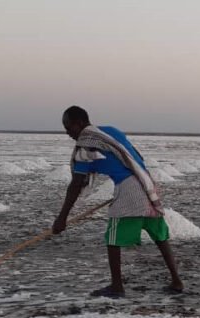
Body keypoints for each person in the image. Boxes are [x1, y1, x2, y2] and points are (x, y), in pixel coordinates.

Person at [52, 106, 184, 298]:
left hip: (129, 187)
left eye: (68, 127)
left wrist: (62, 218)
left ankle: (117, 286)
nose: (68, 133)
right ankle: (177, 281)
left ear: (79, 123)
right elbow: (135, 156)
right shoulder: (110, 131)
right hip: (146, 182)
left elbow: (75, 184)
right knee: (159, 235)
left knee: (112, 239)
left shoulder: (86, 146)